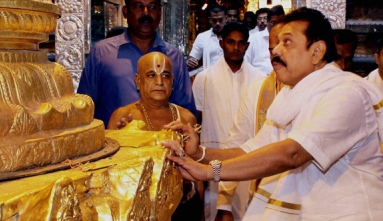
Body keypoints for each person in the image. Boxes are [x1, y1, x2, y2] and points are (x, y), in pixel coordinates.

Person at [164, 7, 383, 220]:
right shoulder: (292, 95)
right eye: (276, 44)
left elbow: (292, 154)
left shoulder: (347, 93)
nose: (276, 51)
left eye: (287, 42)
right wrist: (200, 153)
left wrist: (208, 172)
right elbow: (249, 149)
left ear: (317, 51)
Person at [108, 52, 203, 221]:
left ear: (172, 81)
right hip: (139, 211)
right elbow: (110, 173)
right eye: (151, 75)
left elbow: (197, 169)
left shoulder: (185, 118)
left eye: (165, 76)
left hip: (183, 207)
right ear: (138, 81)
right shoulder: (123, 116)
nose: (159, 82)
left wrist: (201, 210)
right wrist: (125, 141)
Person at [77, 0, 196, 126]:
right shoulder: (102, 53)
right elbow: (84, 108)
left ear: (160, 13)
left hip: (164, 143)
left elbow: (186, 111)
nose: (146, 12)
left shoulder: (174, 56)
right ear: (125, 12)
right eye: (138, 6)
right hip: (114, 142)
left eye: (152, 7)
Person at [192, 22, 266, 221]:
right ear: (221, 43)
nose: (236, 48)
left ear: (247, 46)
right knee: (216, 214)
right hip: (215, 161)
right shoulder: (203, 79)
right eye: (231, 42)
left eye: (241, 43)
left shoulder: (261, 80)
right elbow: (198, 120)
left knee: (249, 213)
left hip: (249, 160)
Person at [215, 22, 286, 221]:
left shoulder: (321, 94)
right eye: (272, 50)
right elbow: (237, 147)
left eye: (285, 46)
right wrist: (223, 202)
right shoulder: (257, 92)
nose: (277, 55)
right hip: (261, 201)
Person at [245, 5, 285, 75]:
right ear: (268, 21)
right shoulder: (253, 38)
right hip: (259, 80)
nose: (278, 26)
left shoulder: (286, 39)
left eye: (281, 23)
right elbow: (246, 63)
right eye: (274, 22)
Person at [187, 5, 227, 71]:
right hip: (210, 78)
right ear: (209, 20)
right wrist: (190, 62)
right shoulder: (202, 37)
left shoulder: (233, 36)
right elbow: (193, 58)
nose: (217, 23)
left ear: (226, 18)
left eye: (220, 20)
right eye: (214, 20)